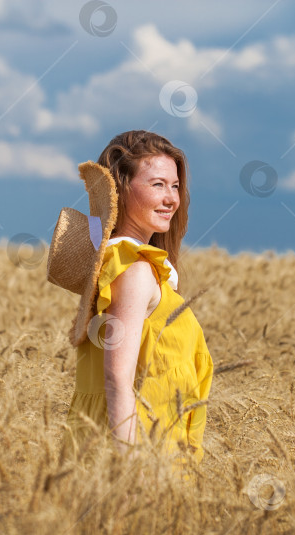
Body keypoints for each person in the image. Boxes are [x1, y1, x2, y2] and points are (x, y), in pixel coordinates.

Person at [46, 130, 214, 475]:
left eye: (175, 186)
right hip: (138, 453)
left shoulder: (123, 266)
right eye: (157, 185)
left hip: (136, 445)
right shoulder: (135, 271)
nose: (171, 198)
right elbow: (117, 382)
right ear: (121, 190)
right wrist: (132, 477)